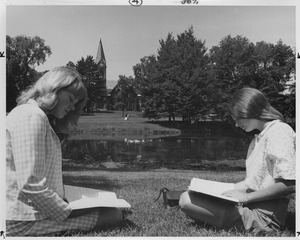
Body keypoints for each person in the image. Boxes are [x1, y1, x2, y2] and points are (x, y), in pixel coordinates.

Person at [6, 67, 124, 236]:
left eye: (76, 103)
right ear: (53, 89)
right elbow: (30, 183)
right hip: (19, 222)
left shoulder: (29, 113)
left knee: (110, 210)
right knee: (112, 214)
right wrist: (67, 210)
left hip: (20, 214)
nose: (72, 106)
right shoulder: (32, 116)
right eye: (70, 98)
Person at [179, 87, 295, 234]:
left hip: (265, 218)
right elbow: (250, 183)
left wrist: (246, 197)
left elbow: (289, 184)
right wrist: (214, 189)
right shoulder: (258, 138)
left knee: (186, 200)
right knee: (191, 195)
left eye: (237, 118)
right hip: (250, 206)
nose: (236, 124)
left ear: (248, 110)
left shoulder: (279, 131)